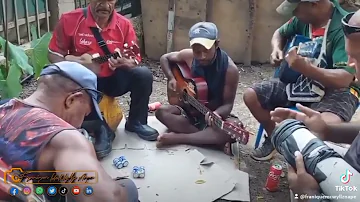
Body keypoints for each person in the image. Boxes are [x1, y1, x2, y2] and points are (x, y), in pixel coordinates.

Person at [0, 61, 138, 202]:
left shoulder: (4, 107)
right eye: (85, 114)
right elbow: (109, 199)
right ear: (72, 100)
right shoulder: (63, 137)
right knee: (127, 187)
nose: (80, 124)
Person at [243, 0, 359, 161]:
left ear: (314, 4)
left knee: (324, 126)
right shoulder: (303, 20)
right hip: (303, 82)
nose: (293, 13)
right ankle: (275, 138)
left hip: (339, 90)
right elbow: (280, 33)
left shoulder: (343, 28)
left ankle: (305, 161)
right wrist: (276, 49)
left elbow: (345, 79)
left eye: (296, 8)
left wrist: (307, 69)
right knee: (251, 95)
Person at [48, 0, 159, 158]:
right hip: (84, 83)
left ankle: (137, 121)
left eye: (110, 1)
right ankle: (101, 130)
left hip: (113, 78)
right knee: (75, 80)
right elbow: (54, 54)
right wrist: (74, 64)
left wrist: (124, 62)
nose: (105, 6)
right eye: (100, 0)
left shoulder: (124, 24)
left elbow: (134, 58)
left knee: (143, 74)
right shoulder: (69, 20)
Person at [270, 10, 360, 200]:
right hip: (351, 172)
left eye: (359, 59)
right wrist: (327, 131)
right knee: (299, 151)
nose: (352, 67)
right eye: (351, 57)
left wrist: (309, 195)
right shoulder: (299, 21)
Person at [155, 22, 240, 150]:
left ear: (216, 44)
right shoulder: (189, 56)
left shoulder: (230, 70)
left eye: (206, 51)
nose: (202, 56)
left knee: (234, 128)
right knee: (161, 112)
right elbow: (165, 58)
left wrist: (217, 114)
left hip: (211, 115)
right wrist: (171, 78)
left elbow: (228, 105)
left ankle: (178, 138)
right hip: (189, 110)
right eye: (197, 51)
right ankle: (207, 139)